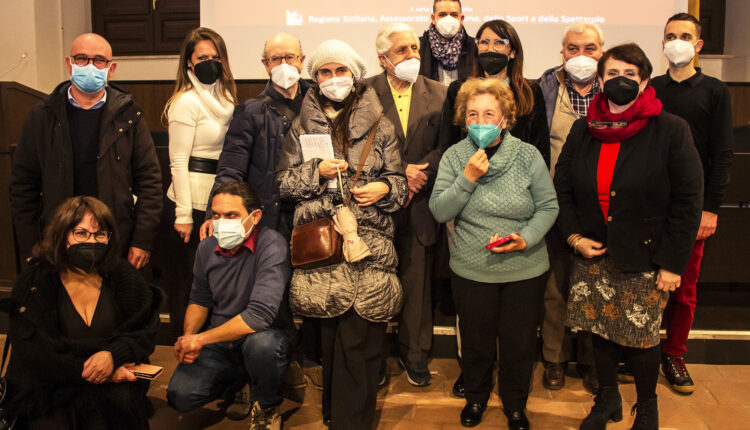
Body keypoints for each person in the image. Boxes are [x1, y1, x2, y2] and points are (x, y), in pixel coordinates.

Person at [554, 43, 703, 429]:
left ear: (644, 81)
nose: (620, 81)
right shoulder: (582, 128)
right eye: (613, 74)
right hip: (593, 251)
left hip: (646, 255)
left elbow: (688, 202)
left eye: (629, 75)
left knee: (641, 337)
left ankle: (647, 408)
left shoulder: (670, 129)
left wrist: (672, 263)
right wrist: (572, 236)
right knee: (600, 331)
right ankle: (607, 402)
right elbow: (563, 188)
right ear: (600, 79)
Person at [275, 39, 408, 430]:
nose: (334, 79)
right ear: (314, 78)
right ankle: (337, 417)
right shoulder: (299, 127)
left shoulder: (382, 125)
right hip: (321, 244)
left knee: (362, 339)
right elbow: (282, 183)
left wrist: (384, 189)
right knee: (332, 343)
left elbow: (399, 184)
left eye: (341, 71)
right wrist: (315, 173)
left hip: (369, 243)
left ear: (355, 74)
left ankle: (353, 422)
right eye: (325, 72)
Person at [429, 77, 559, 429]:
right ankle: (476, 399)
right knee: (476, 343)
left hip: (525, 268)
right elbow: (440, 211)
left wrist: (527, 238)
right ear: (463, 119)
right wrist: (467, 178)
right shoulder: (456, 157)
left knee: (518, 345)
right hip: (472, 269)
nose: (481, 122)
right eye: (473, 115)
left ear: (505, 118)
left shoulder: (528, 155)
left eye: (490, 114)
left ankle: (516, 405)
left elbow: (548, 207)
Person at [0, 196, 162, 429]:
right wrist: (102, 372)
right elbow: (35, 353)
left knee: (120, 406)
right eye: (81, 233)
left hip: (111, 380)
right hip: (52, 384)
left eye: (100, 234)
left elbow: (145, 329)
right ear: (62, 235)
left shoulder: (122, 274)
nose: (92, 241)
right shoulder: (36, 280)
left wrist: (112, 355)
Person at [10, 33, 162, 270]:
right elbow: (23, 187)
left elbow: (150, 183)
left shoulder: (130, 116)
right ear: (69, 64)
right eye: (82, 58)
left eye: (99, 60)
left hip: (114, 240)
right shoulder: (41, 117)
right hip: (57, 240)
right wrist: (31, 246)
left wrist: (142, 241)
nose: (90, 66)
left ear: (111, 69)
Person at [648, 12, 733, 395]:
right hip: (650, 205)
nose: (676, 42)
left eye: (684, 36)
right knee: (646, 283)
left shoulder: (715, 91)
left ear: (698, 45)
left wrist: (710, 208)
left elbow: (723, 154)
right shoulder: (649, 88)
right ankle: (643, 350)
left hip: (692, 208)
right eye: (670, 36)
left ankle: (674, 353)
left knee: (684, 288)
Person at [166, 181, 293, 430]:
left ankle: (266, 405)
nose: (221, 222)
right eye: (217, 215)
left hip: (263, 336)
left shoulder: (272, 245)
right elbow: (199, 300)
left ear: (255, 217)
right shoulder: (207, 247)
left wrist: (201, 341)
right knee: (180, 395)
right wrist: (189, 337)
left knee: (262, 346)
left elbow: (259, 317)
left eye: (231, 215)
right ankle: (240, 382)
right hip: (220, 341)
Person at [364, 22, 448, 387]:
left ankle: (415, 354)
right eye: (402, 51)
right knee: (372, 284)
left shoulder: (442, 94)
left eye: (415, 48)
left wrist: (419, 175)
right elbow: (355, 148)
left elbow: (447, 146)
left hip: (421, 203)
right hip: (374, 206)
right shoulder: (362, 92)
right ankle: (373, 357)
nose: (413, 56)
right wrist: (399, 174)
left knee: (417, 283)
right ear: (383, 59)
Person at [537, 22, 605, 392]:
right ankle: (555, 358)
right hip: (552, 203)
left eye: (590, 48)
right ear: (561, 51)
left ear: (602, 52)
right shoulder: (544, 90)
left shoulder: (614, 89)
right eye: (573, 48)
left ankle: (593, 362)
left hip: (599, 205)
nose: (581, 55)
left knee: (596, 287)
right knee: (556, 287)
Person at [163, 27, 237, 340]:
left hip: (220, 202)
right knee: (188, 284)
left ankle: (214, 349)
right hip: (189, 204)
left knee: (218, 279)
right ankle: (186, 347)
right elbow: (178, 162)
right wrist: (182, 215)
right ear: (189, 64)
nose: (210, 62)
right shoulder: (185, 103)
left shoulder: (227, 99)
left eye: (215, 57)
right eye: (202, 57)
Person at [201, 32, 310, 239]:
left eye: (290, 57)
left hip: (311, 215)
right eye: (276, 59)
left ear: (301, 60)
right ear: (266, 64)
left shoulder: (318, 106)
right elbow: (231, 168)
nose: (283, 64)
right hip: (272, 219)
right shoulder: (250, 112)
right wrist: (214, 214)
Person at [418, 0, 478, 85]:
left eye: (454, 15)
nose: (448, 19)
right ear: (433, 19)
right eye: (442, 15)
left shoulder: (474, 46)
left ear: (461, 19)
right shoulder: (418, 47)